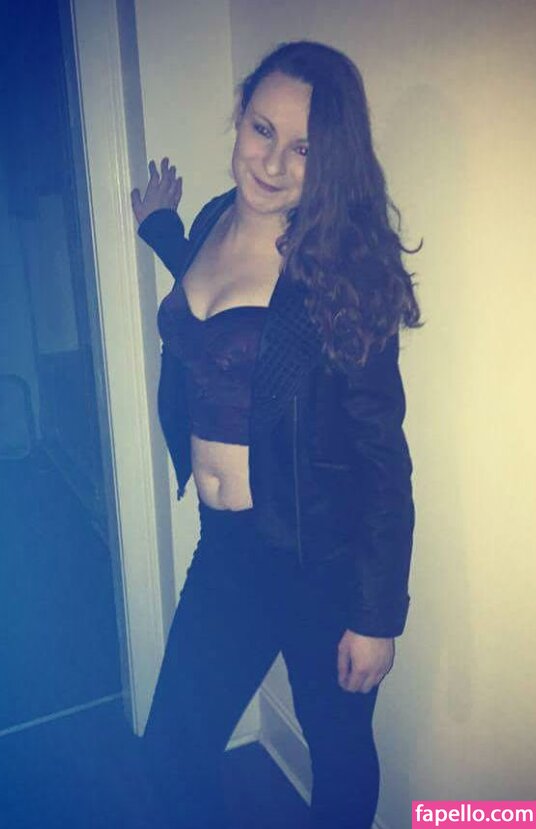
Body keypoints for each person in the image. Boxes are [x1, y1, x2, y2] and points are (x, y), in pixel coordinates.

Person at [131, 40, 420, 829]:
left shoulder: (338, 267)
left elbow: (383, 456)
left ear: (330, 162)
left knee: (339, 755)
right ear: (240, 118)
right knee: (172, 751)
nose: (273, 162)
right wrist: (158, 224)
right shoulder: (211, 219)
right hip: (226, 548)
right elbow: (208, 293)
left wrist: (376, 615)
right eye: (262, 130)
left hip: (318, 559)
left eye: (304, 149)